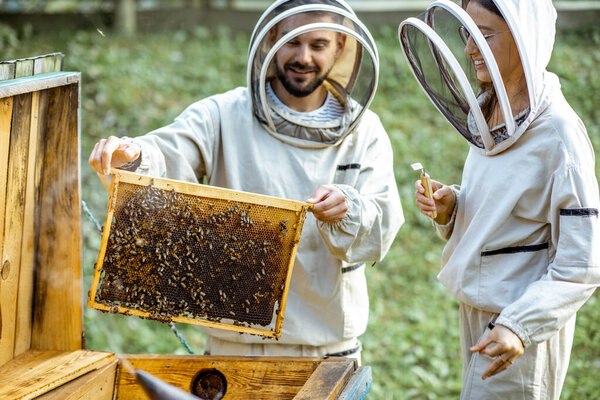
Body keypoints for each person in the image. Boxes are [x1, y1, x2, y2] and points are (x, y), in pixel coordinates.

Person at [89, 0, 404, 363]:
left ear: (341, 46)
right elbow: (166, 154)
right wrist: (134, 156)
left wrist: (350, 209)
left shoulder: (365, 132)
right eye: (291, 41)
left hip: (328, 351)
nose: (302, 57)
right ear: (271, 37)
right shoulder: (222, 114)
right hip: (231, 349)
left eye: (317, 44)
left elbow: (381, 225)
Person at [401, 0, 599, 398]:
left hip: (520, 328)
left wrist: (520, 325)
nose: (470, 49)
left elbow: (583, 263)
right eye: (467, 34)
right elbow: (510, 209)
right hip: (480, 314)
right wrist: (454, 205)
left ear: (526, 39)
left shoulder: (559, 135)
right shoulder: (495, 111)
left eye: (485, 35)